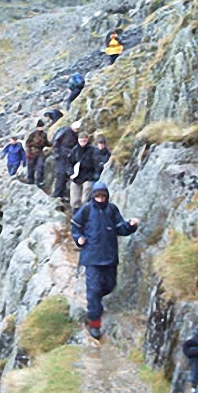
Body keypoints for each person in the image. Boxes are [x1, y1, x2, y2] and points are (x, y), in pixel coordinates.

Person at [71, 181, 139, 339]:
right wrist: (79, 238)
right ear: (93, 196)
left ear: (107, 196)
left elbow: (120, 228)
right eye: (97, 196)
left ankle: (96, 304)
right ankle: (94, 323)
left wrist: (131, 225)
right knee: (93, 290)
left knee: (109, 286)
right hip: (92, 257)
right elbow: (75, 226)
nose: (100, 199)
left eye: (103, 196)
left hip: (109, 257)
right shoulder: (86, 210)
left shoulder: (112, 210)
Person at [52, 120, 81, 200]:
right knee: (61, 174)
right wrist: (57, 154)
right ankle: (57, 194)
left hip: (68, 157)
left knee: (66, 175)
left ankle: (61, 194)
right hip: (61, 156)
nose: (76, 130)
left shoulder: (75, 135)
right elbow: (56, 142)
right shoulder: (65, 132)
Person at [69, 132, 97, 213]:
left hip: (88, 176)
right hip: (76, 177)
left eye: (84, 141)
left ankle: (85, 214)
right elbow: (69, 163)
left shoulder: (92, 150)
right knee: (74, 200)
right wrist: (71, 173)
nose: (82, 143)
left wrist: (93, 174)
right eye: (81, 141)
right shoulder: (74, 151)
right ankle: (76, 215)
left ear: (87, 140)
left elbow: (96, 163)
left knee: (86, 198)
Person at [25, 120, 51, 187]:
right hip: (32, 152)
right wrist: (30, 149)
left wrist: (51, 144)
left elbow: (46, 143)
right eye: (39, 127)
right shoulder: (33, 134)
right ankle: (30, 180)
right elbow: (27, 143)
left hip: (39, 152)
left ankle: (39, 181)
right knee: (30, 166)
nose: (40, 128)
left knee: (40, 166)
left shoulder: (44, 134)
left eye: (41, 127)